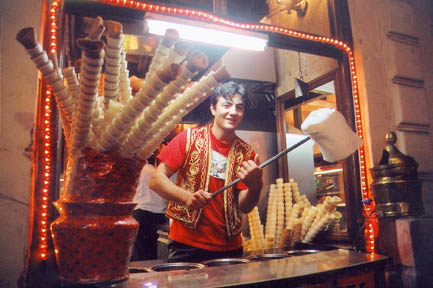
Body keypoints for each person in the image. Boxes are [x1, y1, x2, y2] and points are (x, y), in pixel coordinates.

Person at [149, 81, 263, 262]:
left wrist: (256, 187)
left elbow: (245, 206)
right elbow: (156, 179)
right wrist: (186, 197)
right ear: (213, 109)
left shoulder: (246, 152)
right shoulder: (188, 138)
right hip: (187, 245)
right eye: (226, 105)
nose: (233, 112)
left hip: (230, 248)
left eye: (239, 107)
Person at [131, 154, 168, 261]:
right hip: (159, 215)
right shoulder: (157, 173)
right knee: (152, 253)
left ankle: (140, 276)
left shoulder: (139, 170)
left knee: (139, 255)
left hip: (141, 214)